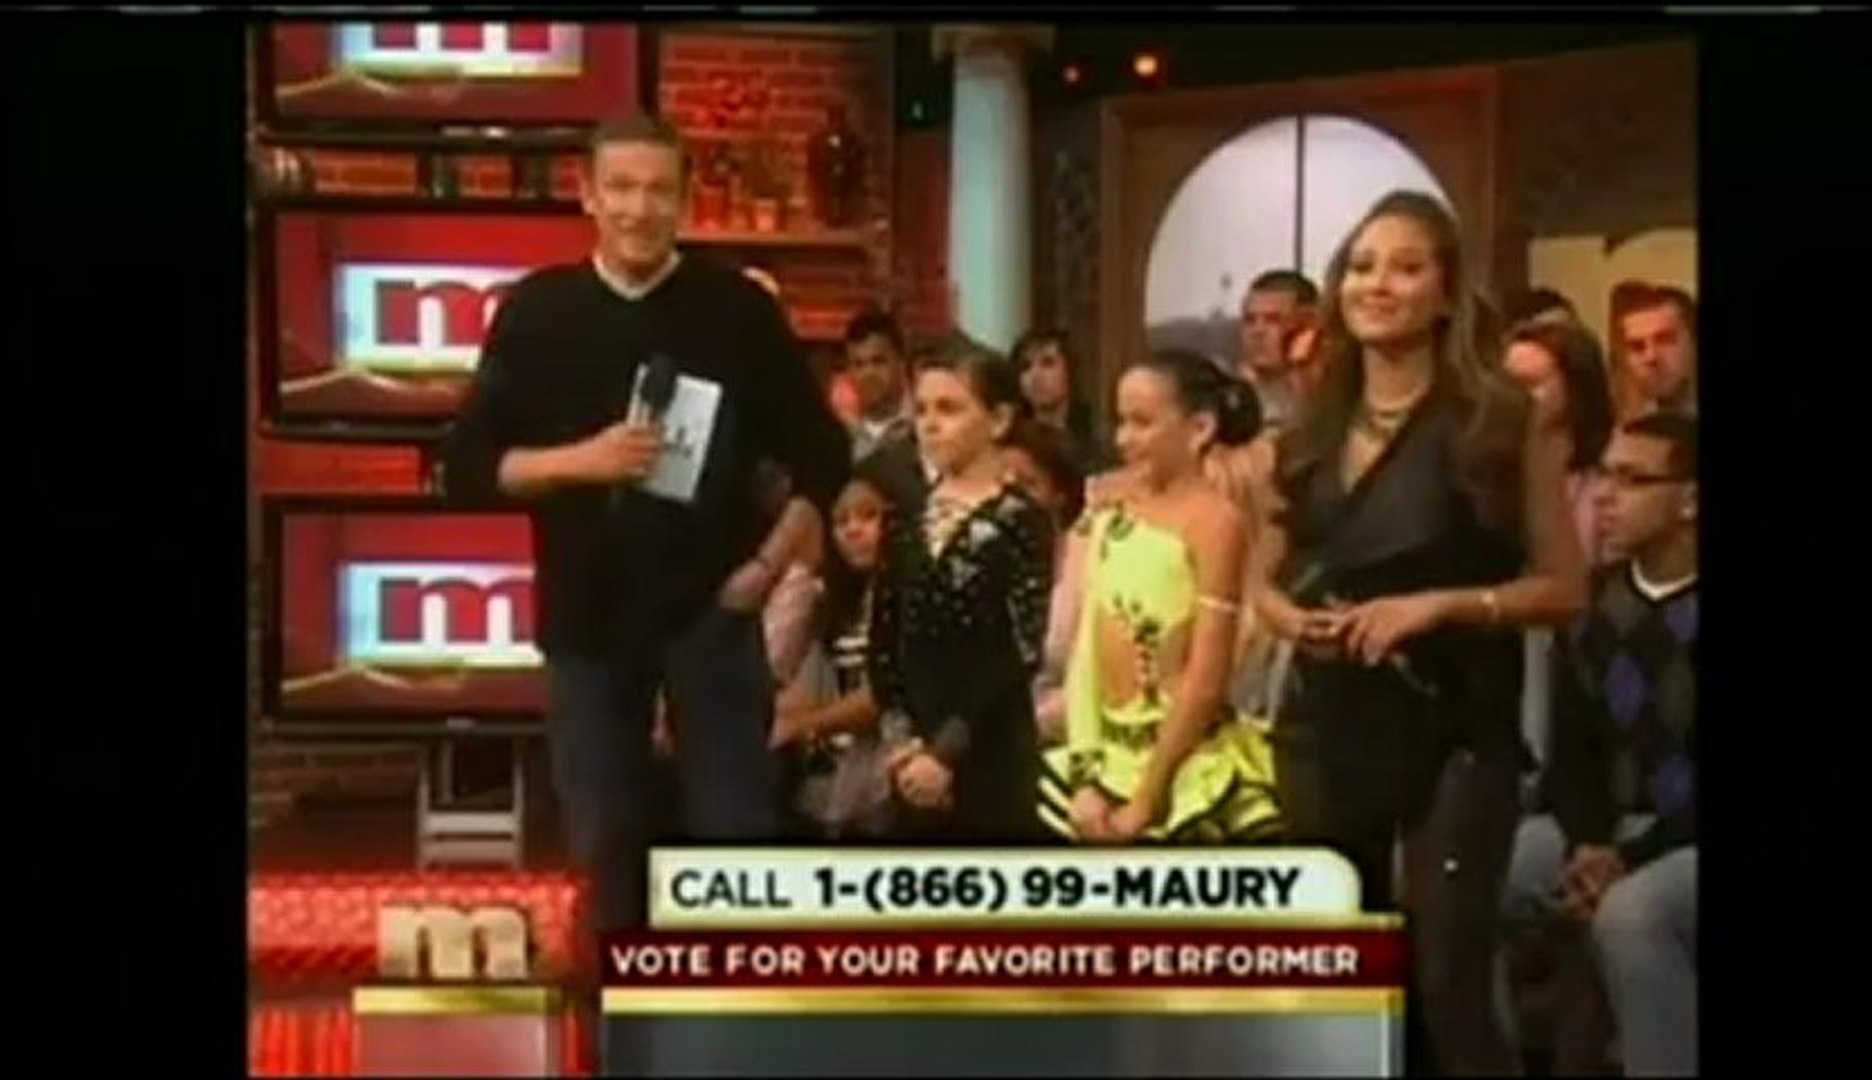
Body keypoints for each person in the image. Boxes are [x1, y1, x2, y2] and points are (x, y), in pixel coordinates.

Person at [439, 113, 850, 948]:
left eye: (659, 189)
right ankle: (620, 1012)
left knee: (736, 838)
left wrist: (766, 567)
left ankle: (729, 1014)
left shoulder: (736, 310)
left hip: (714, 612)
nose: (639, 208)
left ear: (684, 200)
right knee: (603, 843)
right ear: (588, 195)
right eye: (621, 188)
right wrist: (582, 462)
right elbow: (468, 468)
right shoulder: (537, 311)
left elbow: (824, 455)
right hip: (588, 618)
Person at [1248, 190, 1586, 1073]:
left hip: (1456, 727)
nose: (1378, 284)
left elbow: (1563, 588)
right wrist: (1290, 619)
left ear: (1445, 292)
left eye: (1405, 267)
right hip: (1328, 726)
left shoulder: (1503, 420)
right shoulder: (1309, 431)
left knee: (1445, 984)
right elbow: (1262, 579)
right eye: (1362, 267)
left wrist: (1439, 606)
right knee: (1344, 980)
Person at [1498, 413, 1698, 1077]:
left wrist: (1627, 858)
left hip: (1682, 839)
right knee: (1472, 878)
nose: (1605, 496)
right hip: (1608, 830)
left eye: (1632, 479)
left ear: (1689, 501)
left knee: (1632, 913)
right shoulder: (1590, 613)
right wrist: (1589, 844)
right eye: (1604, 475)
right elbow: (1574, 759)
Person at [1037, 349, 1282, 844]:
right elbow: (1088, 650)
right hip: (1103, 760)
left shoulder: (1216, 523)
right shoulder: (1111, 513)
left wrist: (1146, 799)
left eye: (1142, 422)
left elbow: (1206, 678)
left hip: (1184, 764)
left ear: (1199, 428)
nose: (1124, 439)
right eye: (1120, 422)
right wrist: (1085, 776)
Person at [867, 349, 1054, 842]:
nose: (930, 425)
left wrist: (945, 752)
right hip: (911, 763)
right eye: (922, 410)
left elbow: (1021, 649)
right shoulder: (906, 519)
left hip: (991, 750)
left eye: (949, 409)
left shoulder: (1022, 521)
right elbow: (883, 640)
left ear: (998, 420)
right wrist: (903, 743)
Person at [772, 470, 895, 839]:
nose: (853, 530)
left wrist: (802, 725)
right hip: (834, 765)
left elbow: (885, 694)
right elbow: (800, 686)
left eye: (868, 516)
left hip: (892, 762)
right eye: (841, 521)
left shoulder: (909, 595)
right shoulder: (831, 601)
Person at [1011, 327, 1110, 473]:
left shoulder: (1098, 434)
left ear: (1069, 371)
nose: (1035, 375)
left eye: (1047, 363)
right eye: (1025, 367)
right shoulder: (1013, 441)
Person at [1237, 269, 1320, 429]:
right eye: (1249, 320)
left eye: (1273, 320)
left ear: (1307, 328)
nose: (1257, 331)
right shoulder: (1226, 401)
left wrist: (1300, 374)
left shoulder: (1340, 397)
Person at [1616, 285, 1698, 418]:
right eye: (1637, 346)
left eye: (1664, 340)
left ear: (1692, 343)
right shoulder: (1633, 427)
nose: (1651, 356)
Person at [843, 308, 915, 461]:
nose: (868, 374)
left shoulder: (923, 429)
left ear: (901, 364)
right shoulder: (841, 439)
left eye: (878, 361)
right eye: (859, 364)